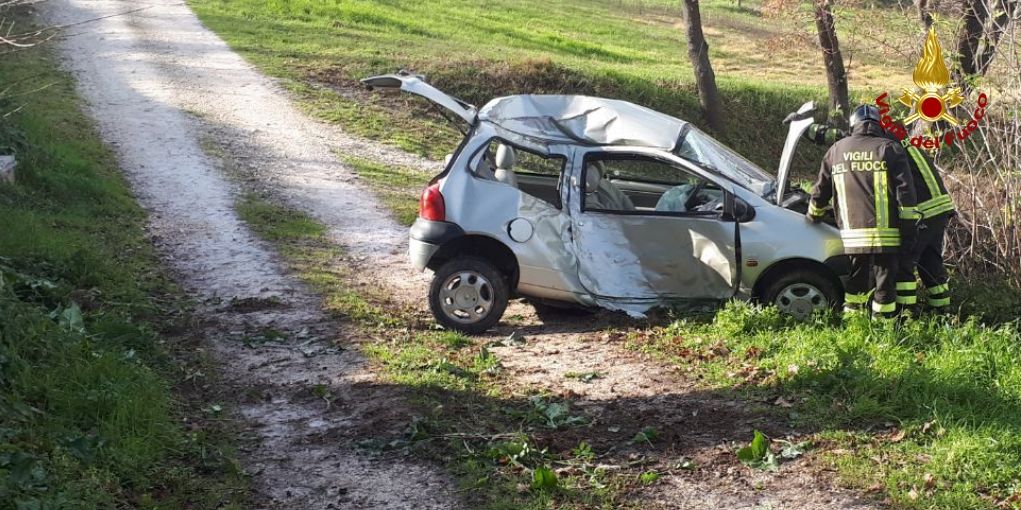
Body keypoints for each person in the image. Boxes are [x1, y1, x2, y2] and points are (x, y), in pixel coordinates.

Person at [805, 105, 917, 318]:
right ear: (878, 125)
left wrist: (814, 215)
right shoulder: (890, 148)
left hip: (852, 236)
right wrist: (909, 232)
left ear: (852, 125)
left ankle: (854, 325)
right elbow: (906, 196)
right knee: (885, 286)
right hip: (887, 237)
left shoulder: (835, 151)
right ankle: (883, 331)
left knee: (856, 282)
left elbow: (820, 191)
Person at [894, 143, 955, 313]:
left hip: (924, 211)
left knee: (903, 262)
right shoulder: (910, 146)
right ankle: (942, 311)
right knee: (930, 262)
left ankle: (905, 313)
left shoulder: (892, 149)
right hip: (941, 209)